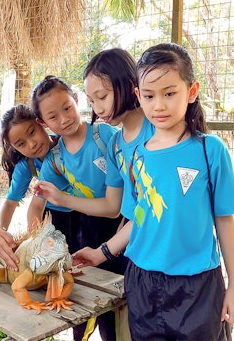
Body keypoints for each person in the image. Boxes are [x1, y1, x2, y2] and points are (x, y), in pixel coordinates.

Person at [71, 43, 234, 340]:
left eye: (169, 93)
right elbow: (139, 217)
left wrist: (233, 285)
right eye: (149, 95)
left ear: (192, 91)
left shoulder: (211, 151)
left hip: (197, 288)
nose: (159, 105)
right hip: (142, 284)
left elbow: (225, 220)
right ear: (138, 96)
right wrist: (100, 253)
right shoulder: (136, 157)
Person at [29, 74, 129, 341]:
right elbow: (36, 205)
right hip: (87, 230)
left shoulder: (106, 136)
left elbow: (120, 200)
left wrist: (62, 199)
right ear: (42, 122)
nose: (63, 119)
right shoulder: (55, 158)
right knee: (82, 302)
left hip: (120, 229)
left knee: (117, 302)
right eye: (53, 116)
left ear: (76, 100)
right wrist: (32, 243)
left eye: (67, 108)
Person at [33, 48, 154, 225]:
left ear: (129, 85)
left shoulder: (154, 132)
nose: (98, 109)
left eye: (102, 97)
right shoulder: (116, 144)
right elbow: (121, 208)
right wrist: (106, 251)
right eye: (92, 101)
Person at [0, 104, 80, 252]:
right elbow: (10, 203)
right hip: (52, 218)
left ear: (41, 122)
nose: (32, 144)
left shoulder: (70, 144)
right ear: (14, 147)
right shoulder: (26, 166)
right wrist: (0, 234)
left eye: (32, 132)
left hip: (86, 212)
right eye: (21, 144)